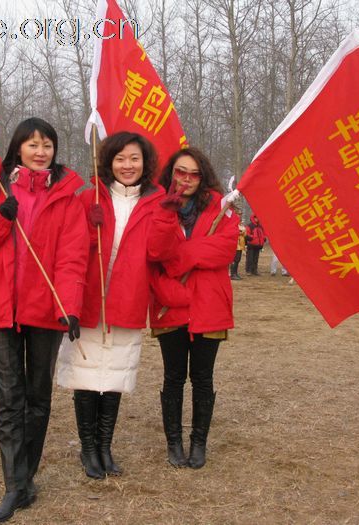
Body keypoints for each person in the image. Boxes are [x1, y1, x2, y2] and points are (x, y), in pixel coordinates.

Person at [0, 118, 88, 523]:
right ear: (17, 149)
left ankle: (25, 476)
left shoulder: (67, 197)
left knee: (38, 398)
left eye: (47, 144)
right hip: (1, 310)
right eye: (32, 144)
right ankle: (15, 486)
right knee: (9, 398)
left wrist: (69, 306)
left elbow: (72, 257)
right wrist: (0, 216)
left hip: (46, 311)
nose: (40, 151)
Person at [57, 132, 163, 480]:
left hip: (127, 301)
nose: (127, 165)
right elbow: (69, 249)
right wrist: (92, 230)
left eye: (134, 158)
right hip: (89, 301)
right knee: (86, 377)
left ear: (145, 163)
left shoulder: (157, 202)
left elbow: (162, 254)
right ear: (108, 162)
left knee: (114, 376)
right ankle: (88, 449)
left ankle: (105, 446)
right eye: (120, 159)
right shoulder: (89, 198)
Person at [147, 147, 239, 469]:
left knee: (202, 378)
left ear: (203, 177)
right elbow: (155, 251)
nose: (186, 179)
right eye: (180, 172)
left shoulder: (220, 208)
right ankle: (174, 443)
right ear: (171, 174)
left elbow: (226, 249)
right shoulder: (157, 206)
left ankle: (198, 442)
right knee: (173, 377)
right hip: (168, 305)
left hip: (209, 304)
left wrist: (184, 255)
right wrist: (165, 215)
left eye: (193, 174)